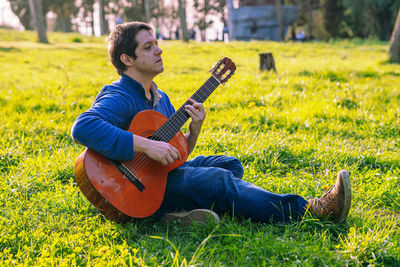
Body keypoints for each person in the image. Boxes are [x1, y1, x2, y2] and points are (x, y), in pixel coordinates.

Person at [71, 22, 352, 226]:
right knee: (218, 180)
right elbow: (83, 127)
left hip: (158, 178)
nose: (159, 50)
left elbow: (175, 157)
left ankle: (175, 216)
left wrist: (194, 130)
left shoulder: (160, 97)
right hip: (127, 186)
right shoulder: (119, 95)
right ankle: (310, 209)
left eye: (157, 43)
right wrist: (146, 146)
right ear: (127, 59)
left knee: (229, 165)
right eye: (148, 47)